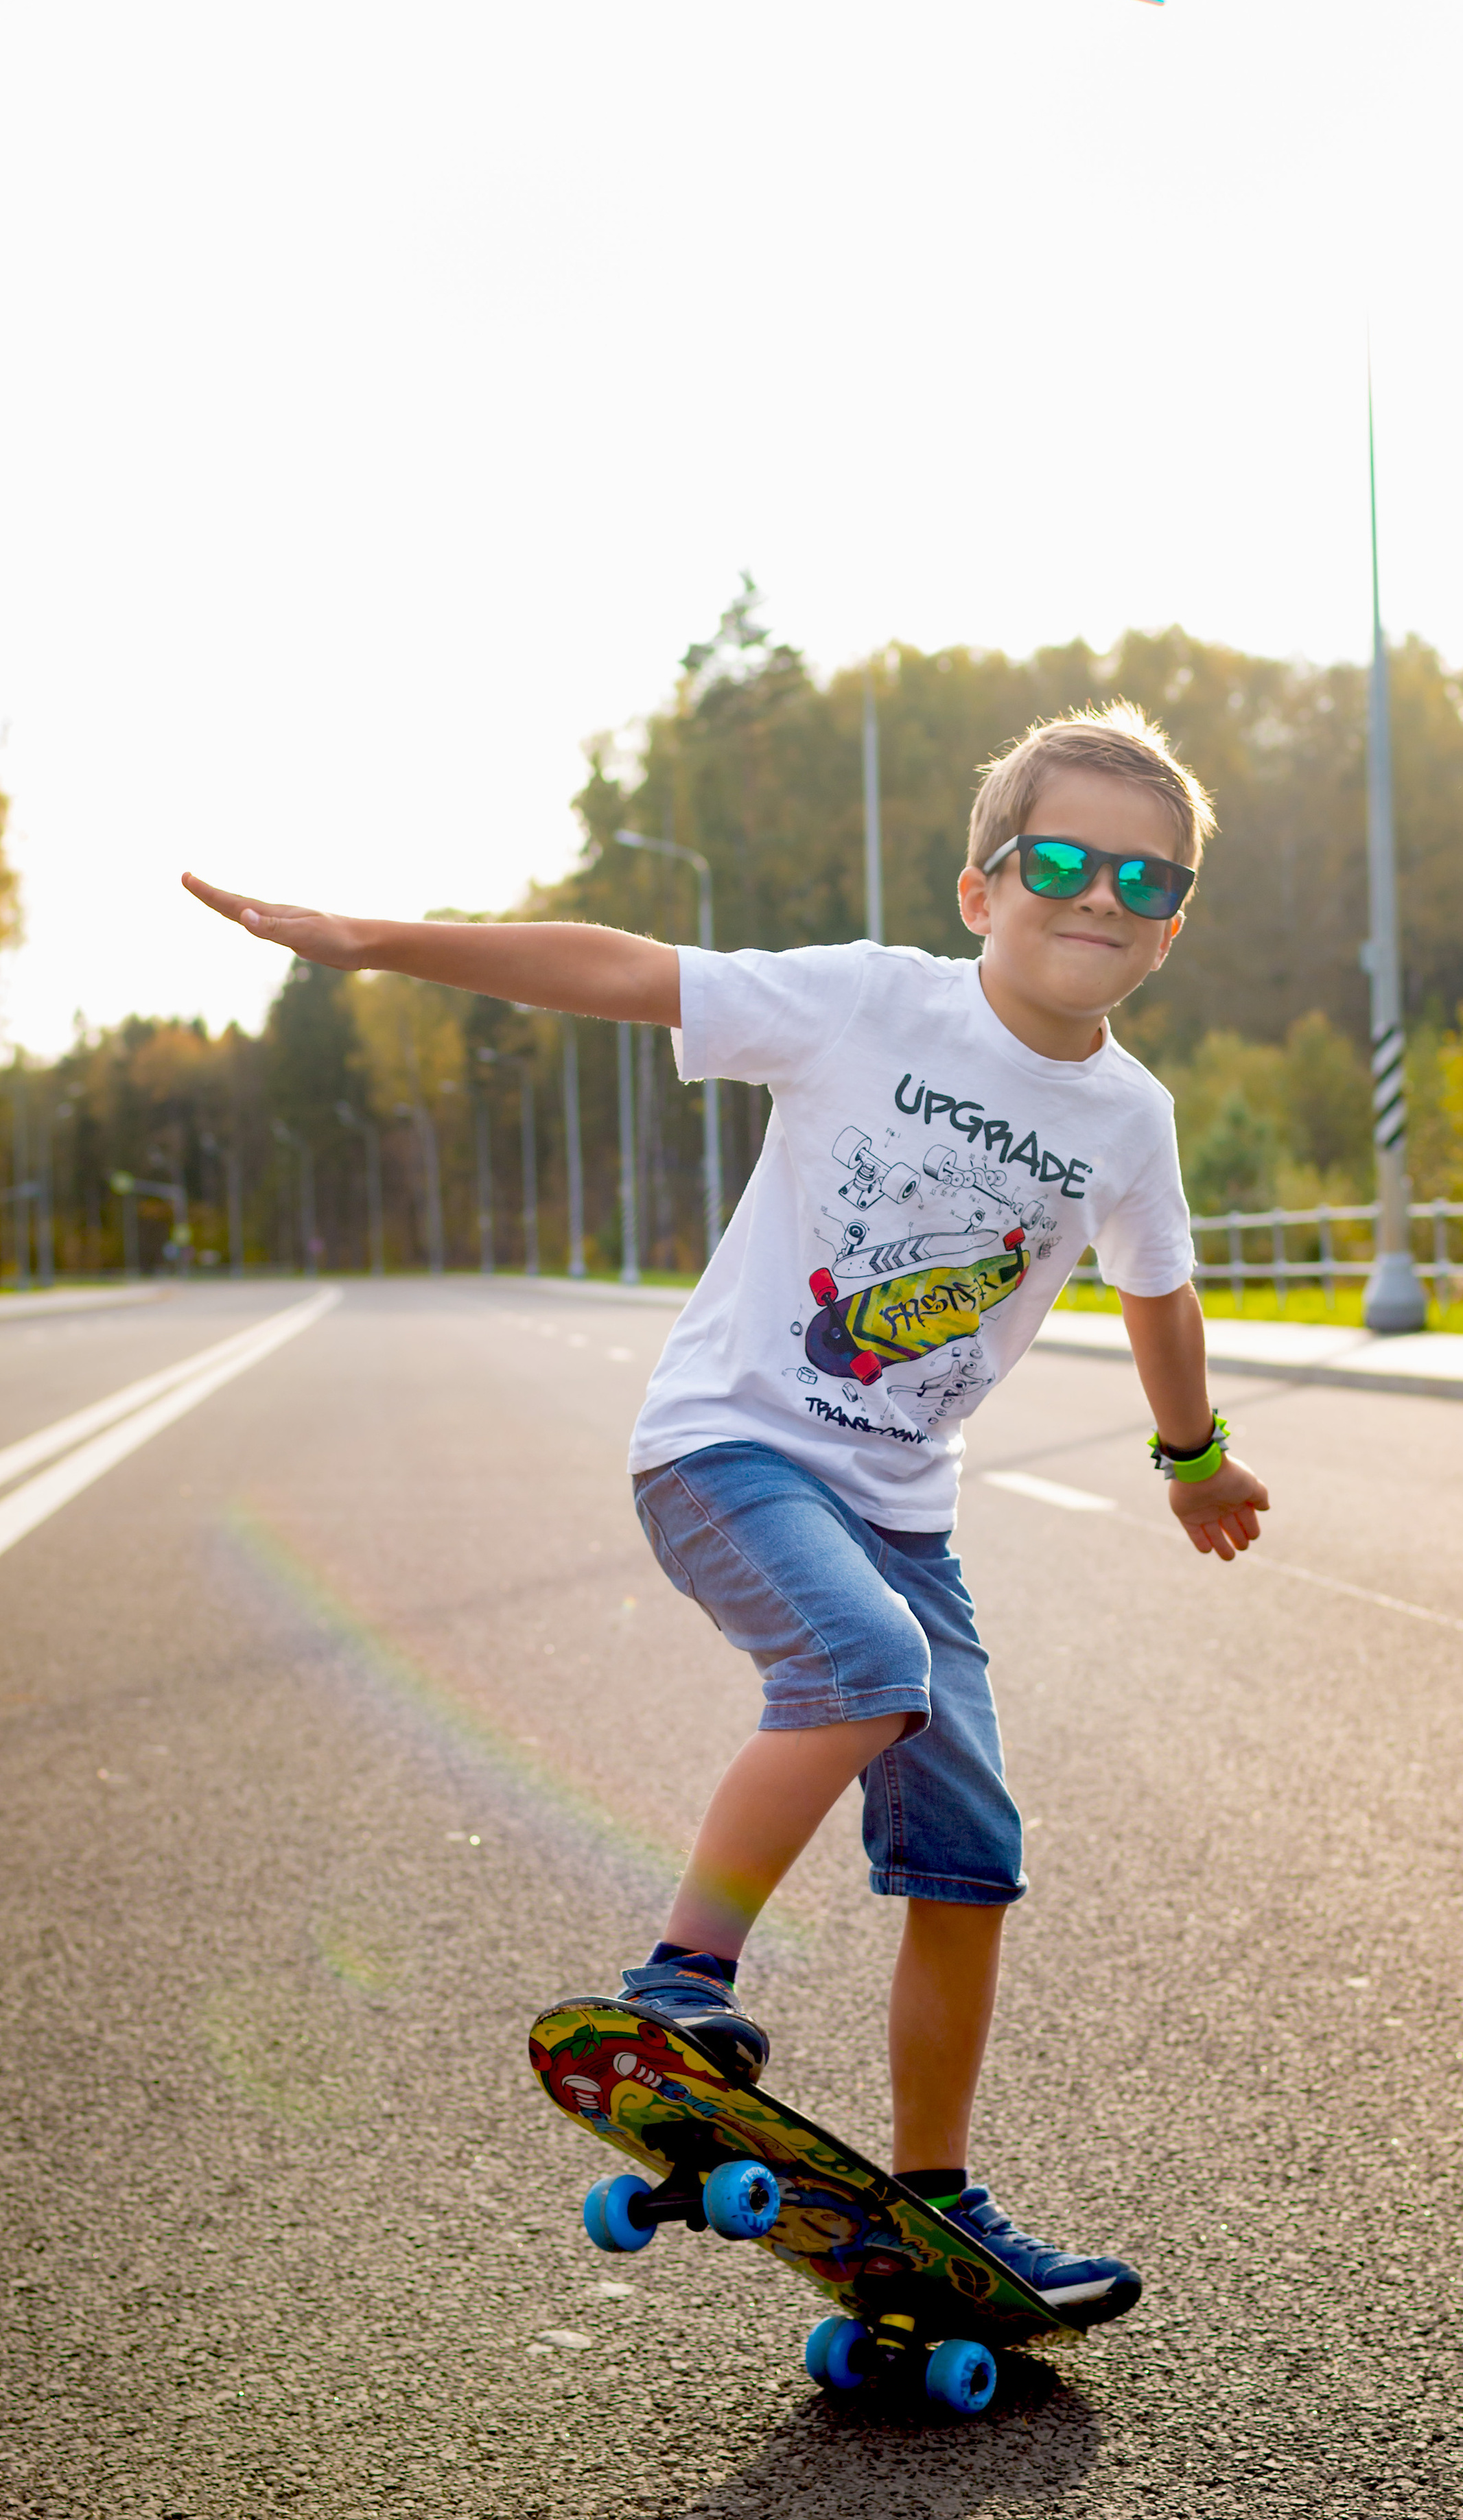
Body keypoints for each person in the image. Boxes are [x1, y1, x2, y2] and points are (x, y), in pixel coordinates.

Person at [183, 699, 1269, 2327]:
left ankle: (934, 2204)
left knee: (968, 1859)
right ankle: (677, 1990)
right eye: (1058, 858)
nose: (1100, 896)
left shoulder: (1130, 1119)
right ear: (980, 888)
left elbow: (1158, 1294)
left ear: (1171, 927)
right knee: (856, 1660)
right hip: (731, 1453)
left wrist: (1190, 1458)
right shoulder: (863, 1003)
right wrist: (375, 942)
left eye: (1146, 879)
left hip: (904, 1508)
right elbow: (623, 966)